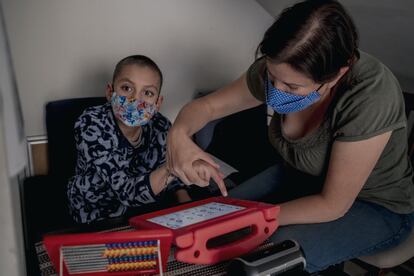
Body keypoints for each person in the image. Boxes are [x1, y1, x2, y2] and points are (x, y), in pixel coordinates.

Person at [166, 0, 414, 273]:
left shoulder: (371, 96)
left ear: (337, 75)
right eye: (272, 77)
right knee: (210, 217)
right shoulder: (280, 69)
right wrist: (179, 135)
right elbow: (206, 107)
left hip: (375, 205)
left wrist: (249, 219)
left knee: (264, 256)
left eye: (292, 86)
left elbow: (332, 205)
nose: (275, 90)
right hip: (301, 176)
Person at [67, 55, 192, 224]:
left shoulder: (161, 125)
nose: (136, 100)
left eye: (147, 93)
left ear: (158, 102)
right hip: (97, 214)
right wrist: (173, 167)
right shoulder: (90, 124)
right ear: (110, 92)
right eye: (127, 88)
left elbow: (172, 178)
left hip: (147, 210)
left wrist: (189, 207)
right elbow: (127, 192)